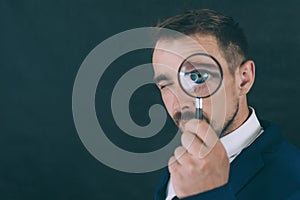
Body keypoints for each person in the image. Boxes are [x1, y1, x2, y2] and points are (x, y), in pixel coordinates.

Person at [152, 9, 300, 200]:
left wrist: (208, 194)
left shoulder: (293, 180)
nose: (181, 100)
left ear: (244, 79)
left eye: (198, 76)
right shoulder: (182, 164)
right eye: (165, 84)